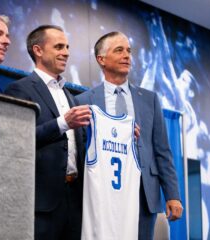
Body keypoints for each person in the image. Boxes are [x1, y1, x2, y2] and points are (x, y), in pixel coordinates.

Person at [76, 31, 183, 240]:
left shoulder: (149, 100)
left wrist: (173, 195)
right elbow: (80, 150)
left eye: (128, 51)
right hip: (101, 193)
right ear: (102, 59)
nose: (127, 56)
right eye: (119, 50)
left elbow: (162, 152)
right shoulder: (83, 101)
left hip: (143, 193)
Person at [4, 25, 91, 240]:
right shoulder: (20, 89)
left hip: (75, 200)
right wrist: (62, 123)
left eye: (68, 47)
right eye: (59, 46)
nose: (66, 52)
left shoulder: (70, 95)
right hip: (43, 204)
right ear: (38, 50)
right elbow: (19, 139)